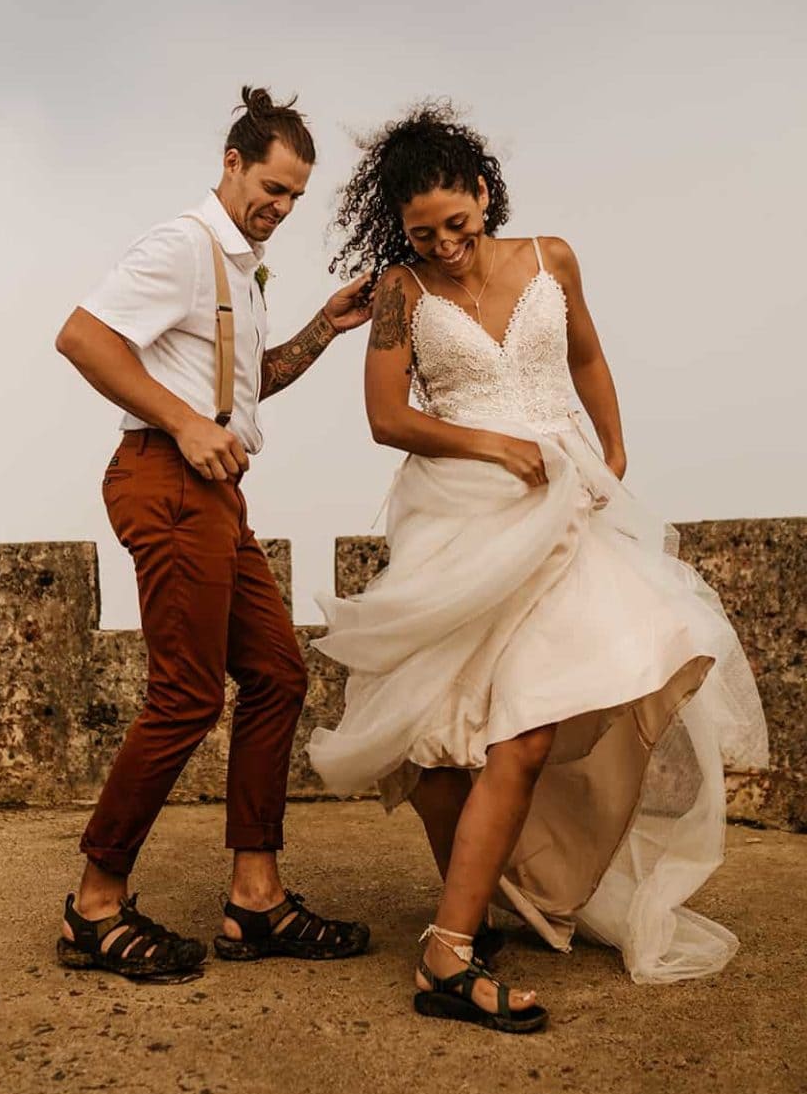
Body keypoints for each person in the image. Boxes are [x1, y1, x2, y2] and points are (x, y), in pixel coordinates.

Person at [309, 101, 768, 1032]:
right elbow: (387, 418)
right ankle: (468, 923)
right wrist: (489, 445)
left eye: (458, 223)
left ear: (485, 193)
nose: (443, 245)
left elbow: (589, 356)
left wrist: (615, 447)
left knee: (522, 728)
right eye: (420, 232)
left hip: (566, 512)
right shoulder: (399, 292)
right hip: (460, 516)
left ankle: (454, 941)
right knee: (438, 740)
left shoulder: (552, 257)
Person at [55, 86, 373, 981]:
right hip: (164, 476)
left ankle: (257, 900)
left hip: (214, 493)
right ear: (231, 164)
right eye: (270, 187)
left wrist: (326, 327)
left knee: (276, 672)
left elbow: (243, 384)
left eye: (294, 198)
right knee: (188, 695)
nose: (279, 207)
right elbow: (83, 338)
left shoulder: (239, 268)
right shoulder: (184, 247)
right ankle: (95, 905)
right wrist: (188, 425)